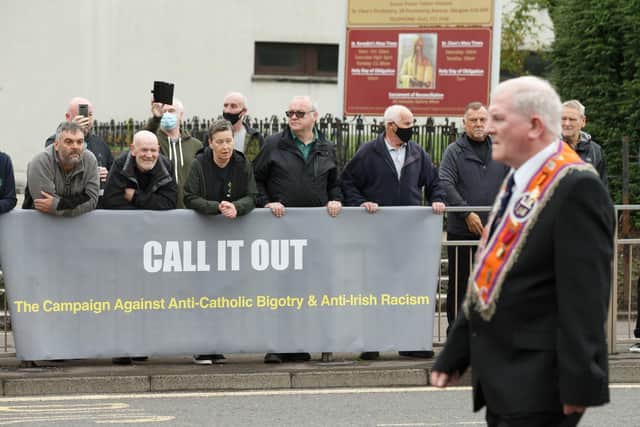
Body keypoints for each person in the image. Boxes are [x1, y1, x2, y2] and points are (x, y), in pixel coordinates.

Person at [431, 76, 614, 427]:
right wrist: (455, 353)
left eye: (499, 119)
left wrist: (579, 383)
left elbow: (585, 294)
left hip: (541, 382)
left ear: (533, 125)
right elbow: (490, 271)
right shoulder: (520, 179)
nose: (489, 129)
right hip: (504, 377)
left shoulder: (577, 186)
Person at [341, 104, 446, 361]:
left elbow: (434, 182)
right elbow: (347, 182)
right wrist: (360, 203)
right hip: (377, 234)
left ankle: (411, 342)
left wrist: (437, 199)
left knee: (409, 288)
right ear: (391, 126)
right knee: (376, 288)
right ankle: (372, 342)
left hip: (410, 235)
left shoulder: (418, 153)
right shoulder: (369, 152)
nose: (412, 129)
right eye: (407, 125)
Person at [253, 95, 343, 363]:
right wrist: (266, 202)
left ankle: (300, 343)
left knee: (308, 289)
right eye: (290, 113)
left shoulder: (326, 147)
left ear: (314, 116)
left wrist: (336, 198)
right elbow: (255, 179)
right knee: (281, 289)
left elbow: (335, 183)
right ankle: (277, 345)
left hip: (315, 232)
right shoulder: (273, 145)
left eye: (299, 113)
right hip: (281, 230)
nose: (293, 117)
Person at [183, 119, 257, 364]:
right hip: (204, 234)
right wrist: (216, 207)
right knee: (204, 290)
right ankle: (201, 346)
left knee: (227, 290)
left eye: (229, 141)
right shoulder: (199, 164)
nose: (226, 147)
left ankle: (219, 343)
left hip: (232, 238)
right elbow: (189, 197)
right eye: (220, 142)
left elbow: (252, 196)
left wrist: (237, 207)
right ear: (211, 143)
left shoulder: (242, 163)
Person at [438, 102, 508, 334]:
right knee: (460, 285)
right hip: (462, 231)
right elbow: (445, 183)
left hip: (495, 230)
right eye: (473, 120)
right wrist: (466, 212)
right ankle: (456, 333)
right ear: (464, 123)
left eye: (482, 119)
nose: (479, 124)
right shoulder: (454, 152)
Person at [25, 121, 99, 216]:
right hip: (41, 224)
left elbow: (92, 200)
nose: (75, 147)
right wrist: (79, 201)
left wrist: (58, 205)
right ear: (56, 145)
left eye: (80, 142)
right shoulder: (41, 161)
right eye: (69, 142)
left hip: (77, 226)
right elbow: (44, 203)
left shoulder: (90, 160)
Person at [45, 97, 114, 200]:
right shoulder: (54, 141)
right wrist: (74, 130)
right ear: (68, 117)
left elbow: (113, 172)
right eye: (81, 115)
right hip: (69, 202)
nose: (87, 119)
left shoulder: (100, 142)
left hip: (97, 203)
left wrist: (107, 175)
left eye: (90, 115)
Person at [146, 98, 202, 208]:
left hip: (189, 208)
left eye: (171, 111)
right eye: (164, 111)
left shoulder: (196, 145)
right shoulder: (152, 142)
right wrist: (155, 118)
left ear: (181, 115)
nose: (167, 115)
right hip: (159, 207)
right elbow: (142, 138)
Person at [102, 130, 177, 210]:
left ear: (158, 150)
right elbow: (111, 201)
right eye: (144, 150)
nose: (149, 155)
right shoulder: (120, 164)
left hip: (157, 221)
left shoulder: (166, 166)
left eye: (153, 150)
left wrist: (135, 196)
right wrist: (149, 206)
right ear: (133, 150)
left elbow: (170, 203)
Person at [561, 99, 608, 188]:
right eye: (563, 119)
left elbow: (602, 189)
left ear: (583, 121)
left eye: (572, 119)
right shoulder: (548, 148)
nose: (567, 123)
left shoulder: (595, 151)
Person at [221, 92, 264, 162]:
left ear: (244, 111)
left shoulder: (256, 137)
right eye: (225, 105)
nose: (228, 110)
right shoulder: (212, 135)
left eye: (233, 106)